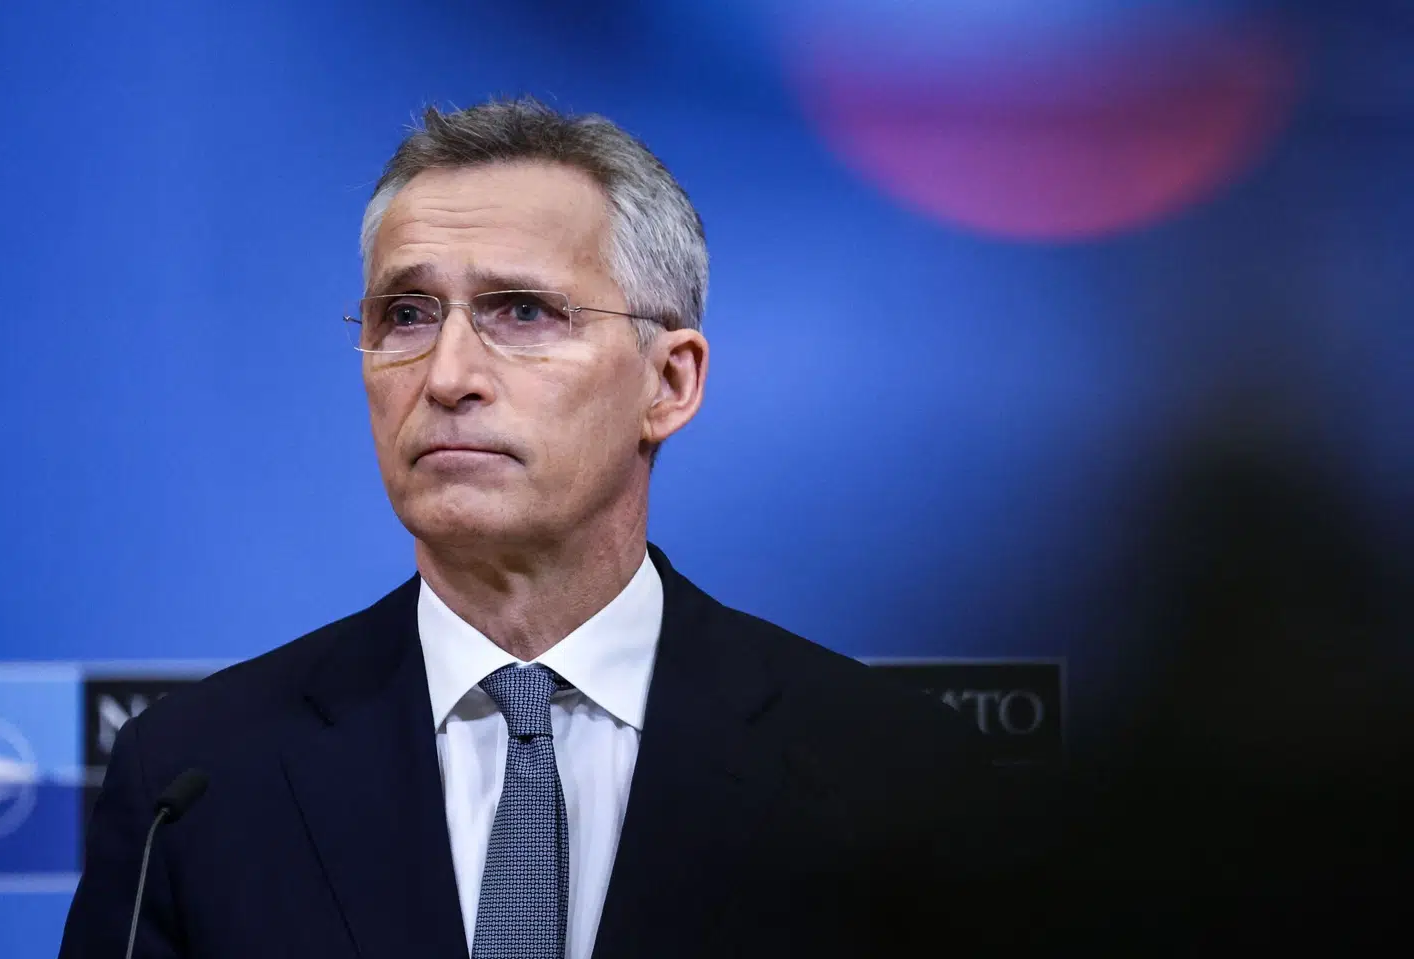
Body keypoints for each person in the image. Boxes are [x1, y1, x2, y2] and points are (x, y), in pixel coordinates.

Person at [58, 98, 1020, 959]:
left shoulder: (895, 777)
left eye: (521, 311)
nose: (445, 376)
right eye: (404, 314)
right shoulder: (195, 780)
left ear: (669, 382)